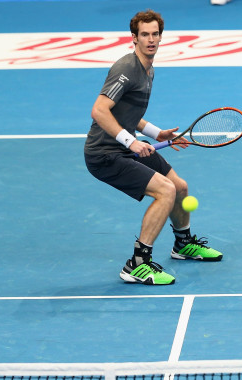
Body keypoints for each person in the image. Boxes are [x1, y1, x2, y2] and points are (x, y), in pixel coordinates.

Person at [84, 9, 223, 286]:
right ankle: (137, 264)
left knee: (180, 187)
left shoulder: (149, 68)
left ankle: (183, 245)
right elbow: (99, 111)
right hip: (104, 154)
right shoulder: (126, 69)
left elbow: (128, 114)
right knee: (165, 191)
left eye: (155, 34)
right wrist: (131, 142)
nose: (150, 40)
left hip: (124, 147)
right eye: (144, 35)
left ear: (161, 37)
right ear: (133, 38)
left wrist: (157, 133)